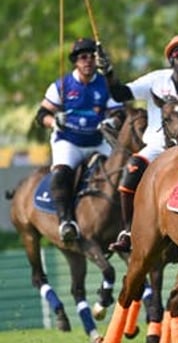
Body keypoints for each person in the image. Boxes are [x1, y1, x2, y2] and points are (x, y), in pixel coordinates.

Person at [107, 34, 178, 253]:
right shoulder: (156, 80)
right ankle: (128, 231)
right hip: (157, 146)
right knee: (131, 170)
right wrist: (108, 74)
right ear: (171, 59)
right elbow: (120, 93)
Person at [35, 37, 121, 242]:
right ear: (76, 61)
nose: (88, 61)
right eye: (83, 57)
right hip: (69, 141)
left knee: (122, 170)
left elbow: (119, 112)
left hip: (98, 140)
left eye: (92, 56)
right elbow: (41, 115)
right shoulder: (62, 85)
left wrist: (112, 122)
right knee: (62, 172)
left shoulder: (104, 84)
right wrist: (54, 120)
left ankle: (126, 222)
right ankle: (66, 222)